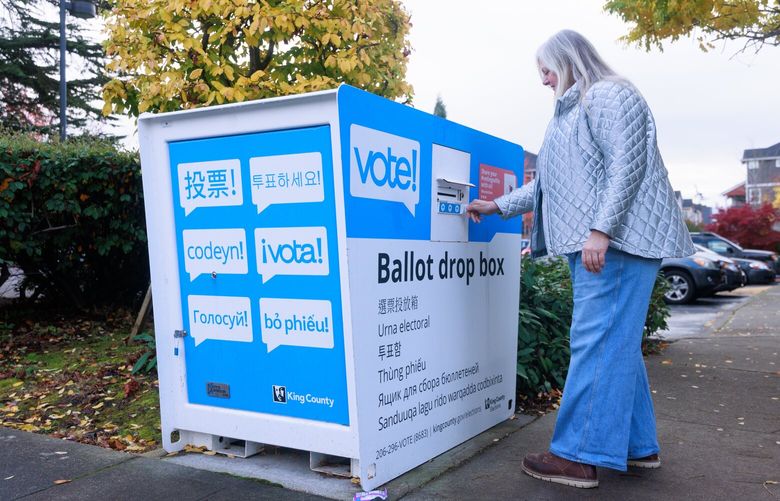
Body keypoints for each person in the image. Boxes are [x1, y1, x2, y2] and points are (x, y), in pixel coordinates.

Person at [466, 29, 694, 489]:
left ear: (568, 59)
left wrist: (601, 231)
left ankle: (577, 456)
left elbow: (627, 164)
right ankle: (637, 445)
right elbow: (550, 183)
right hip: (600, 242)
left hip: (618, 243)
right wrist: (497, 206)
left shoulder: (609, 95)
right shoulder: (570, 112)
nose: (543, 80)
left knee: (595, 343)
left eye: (546, 69)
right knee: (615, 343)